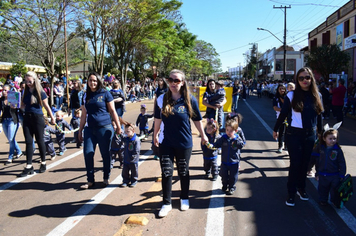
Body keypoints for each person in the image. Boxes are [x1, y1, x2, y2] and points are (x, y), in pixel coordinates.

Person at [153, 69, 208, 218]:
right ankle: (166, 203)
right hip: (166, 142)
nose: (172, 83)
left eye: (176, 80)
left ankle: (184, 198)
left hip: (184, 143)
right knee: (167, 172)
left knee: (183, 171)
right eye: (170, 80)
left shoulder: (190, 99)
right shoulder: (161, 99)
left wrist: (203, 136)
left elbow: (197, 120)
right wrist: (155, 135)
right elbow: (157, 119)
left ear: (182, 82)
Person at [273, 67, 323, 207]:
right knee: (295, 164)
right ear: (297, 80)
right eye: (301, 78)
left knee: (305, 164)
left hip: (310, 135)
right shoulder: (291, 95)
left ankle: (302, 189)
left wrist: (320, 133)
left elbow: (319, 116)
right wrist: (276, 129)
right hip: (294, 134)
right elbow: (283, 114)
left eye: (307, 77)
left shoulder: (317, 95)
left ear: (311, 78)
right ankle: (291, 192)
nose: (304, 80)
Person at [78, 72, 121, 189]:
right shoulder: (84, 95)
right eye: (90, 80)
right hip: (89, 129)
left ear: (99, 82)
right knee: (88, 153)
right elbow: (83, 114)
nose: (93, 83)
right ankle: (90, 180)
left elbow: (112, 111)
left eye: (95, 80)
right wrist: (80, 129)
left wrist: (118, 126)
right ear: (87, 81)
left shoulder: (105, 93)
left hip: (104, 127)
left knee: (105, 154)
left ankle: (106, 177)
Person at [19, 71, 55, 177]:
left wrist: (52, 117)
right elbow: (22, 105)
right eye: (26, 81)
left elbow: (46, 106)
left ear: (35, 80)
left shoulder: (40, 91)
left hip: (38, 118)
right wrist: (16, 106)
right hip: (27, 118)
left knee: (40, 140)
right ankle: (29, 165)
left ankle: (43, 162)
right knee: (29, 142)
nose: (28, 83)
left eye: (30, 81)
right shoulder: (25, 91)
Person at [312, 122, 346, 206]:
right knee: (323, 188)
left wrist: (342, 175)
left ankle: (335, 200)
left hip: (334, 174)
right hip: (323, 174)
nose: (333, 141)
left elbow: (342, 162)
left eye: (334, 138)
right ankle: (323, 200)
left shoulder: (337, 150)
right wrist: (316, 172)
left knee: (335, 189)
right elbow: (316, 161)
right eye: (330, 139)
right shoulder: (320, 148)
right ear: (324, 138)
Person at [213, 118, 245, 195]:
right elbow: (217, 144)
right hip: (224, 161)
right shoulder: (224, 138)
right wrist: (211, 145)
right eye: (227, 130)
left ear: (235, 131)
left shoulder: (237, 138)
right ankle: (224, 185)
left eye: (231, 131)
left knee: (233, 177)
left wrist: (235, 139)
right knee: (223, 175)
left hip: (234, 162)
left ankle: (231, 187)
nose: (229, 132)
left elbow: (241, 145)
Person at [1, 85, 23, 165]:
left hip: (12, 121)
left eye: (6, 90)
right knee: (11, 139)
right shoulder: (1, 100)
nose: (4, 92)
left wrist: (15, 106)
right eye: (3, 90)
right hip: (4, 121)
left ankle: (10, 157)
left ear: (10, 91)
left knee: (10, 138)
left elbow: (19, 108)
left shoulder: (13, 98)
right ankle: (19, 151)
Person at [120, 123, 141, 188]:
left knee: (134, 171)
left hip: (133, 159)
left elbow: (137, 150)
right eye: (125, 131)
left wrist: (133, 156)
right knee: (125, 171)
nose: (126, 133)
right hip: (126, 158)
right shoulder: (126, 138)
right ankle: (125, 181)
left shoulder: (136, 140)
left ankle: (134, 181)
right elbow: (122, 138)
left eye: (128, 131)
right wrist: (120, 133)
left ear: (133, 131)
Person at [273, 84, 287, 153]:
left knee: (288, 132)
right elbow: (275, 107)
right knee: (281, 132)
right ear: (278, 90)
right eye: (280, 89)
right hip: (280, 117)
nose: (282, 90)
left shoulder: (287, 97)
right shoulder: (276, 98)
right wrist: (283, 110)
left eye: (283, 89)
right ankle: (280, 146)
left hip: (289, 117)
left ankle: (287, 146)